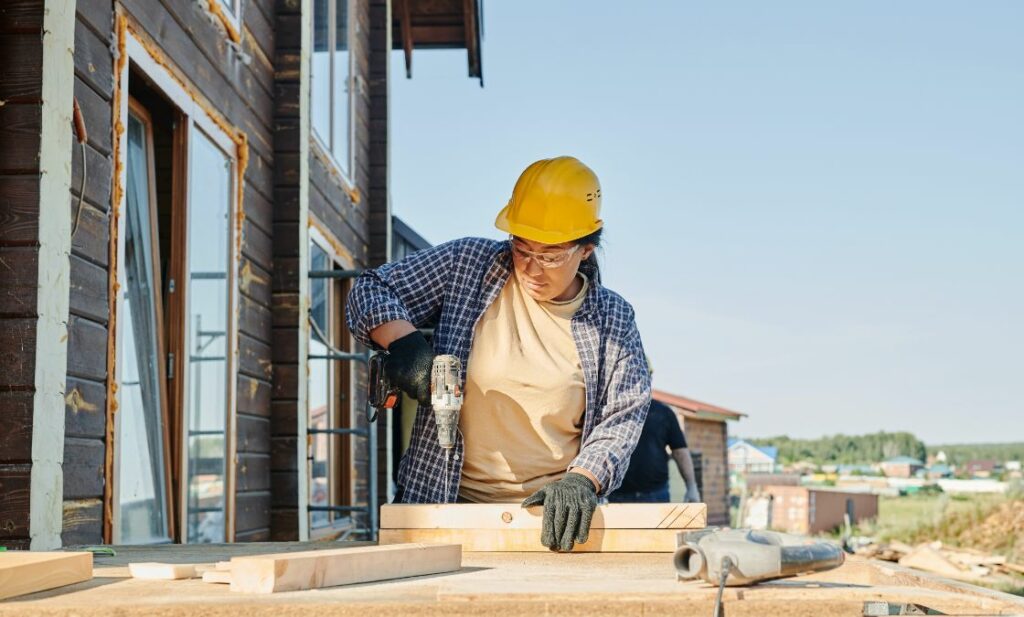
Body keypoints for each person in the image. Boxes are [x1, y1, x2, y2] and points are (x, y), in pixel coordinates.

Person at [346, 156, 652, 552]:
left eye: (551, 255)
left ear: (586, 249)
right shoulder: (468, 266)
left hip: (550, 521)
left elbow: (623, 415)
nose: (531, 268)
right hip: (439, 503)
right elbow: (371, 289)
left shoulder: (613, 319)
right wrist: (404, 343)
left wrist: (584, 479)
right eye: (522, 249)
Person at [608, 366, 701, 503]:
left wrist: (691, 486)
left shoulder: (664, 413)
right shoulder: (610, 412)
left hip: (655, 495)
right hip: (617, 495)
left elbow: (680, 452)